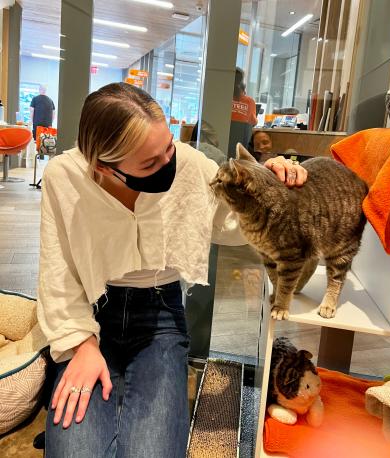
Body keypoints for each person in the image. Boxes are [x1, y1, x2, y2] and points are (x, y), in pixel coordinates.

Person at [38, 82, 307, 458]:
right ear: (103, 165)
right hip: (87, 315)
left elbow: (238, 222)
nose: (169, 163)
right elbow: (58, 270)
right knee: (73, 451)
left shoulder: (190, 164)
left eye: (168, 148)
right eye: (150, 163)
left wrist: (271, 181)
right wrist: (80, 345)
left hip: (160, 314)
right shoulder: (63, 177)